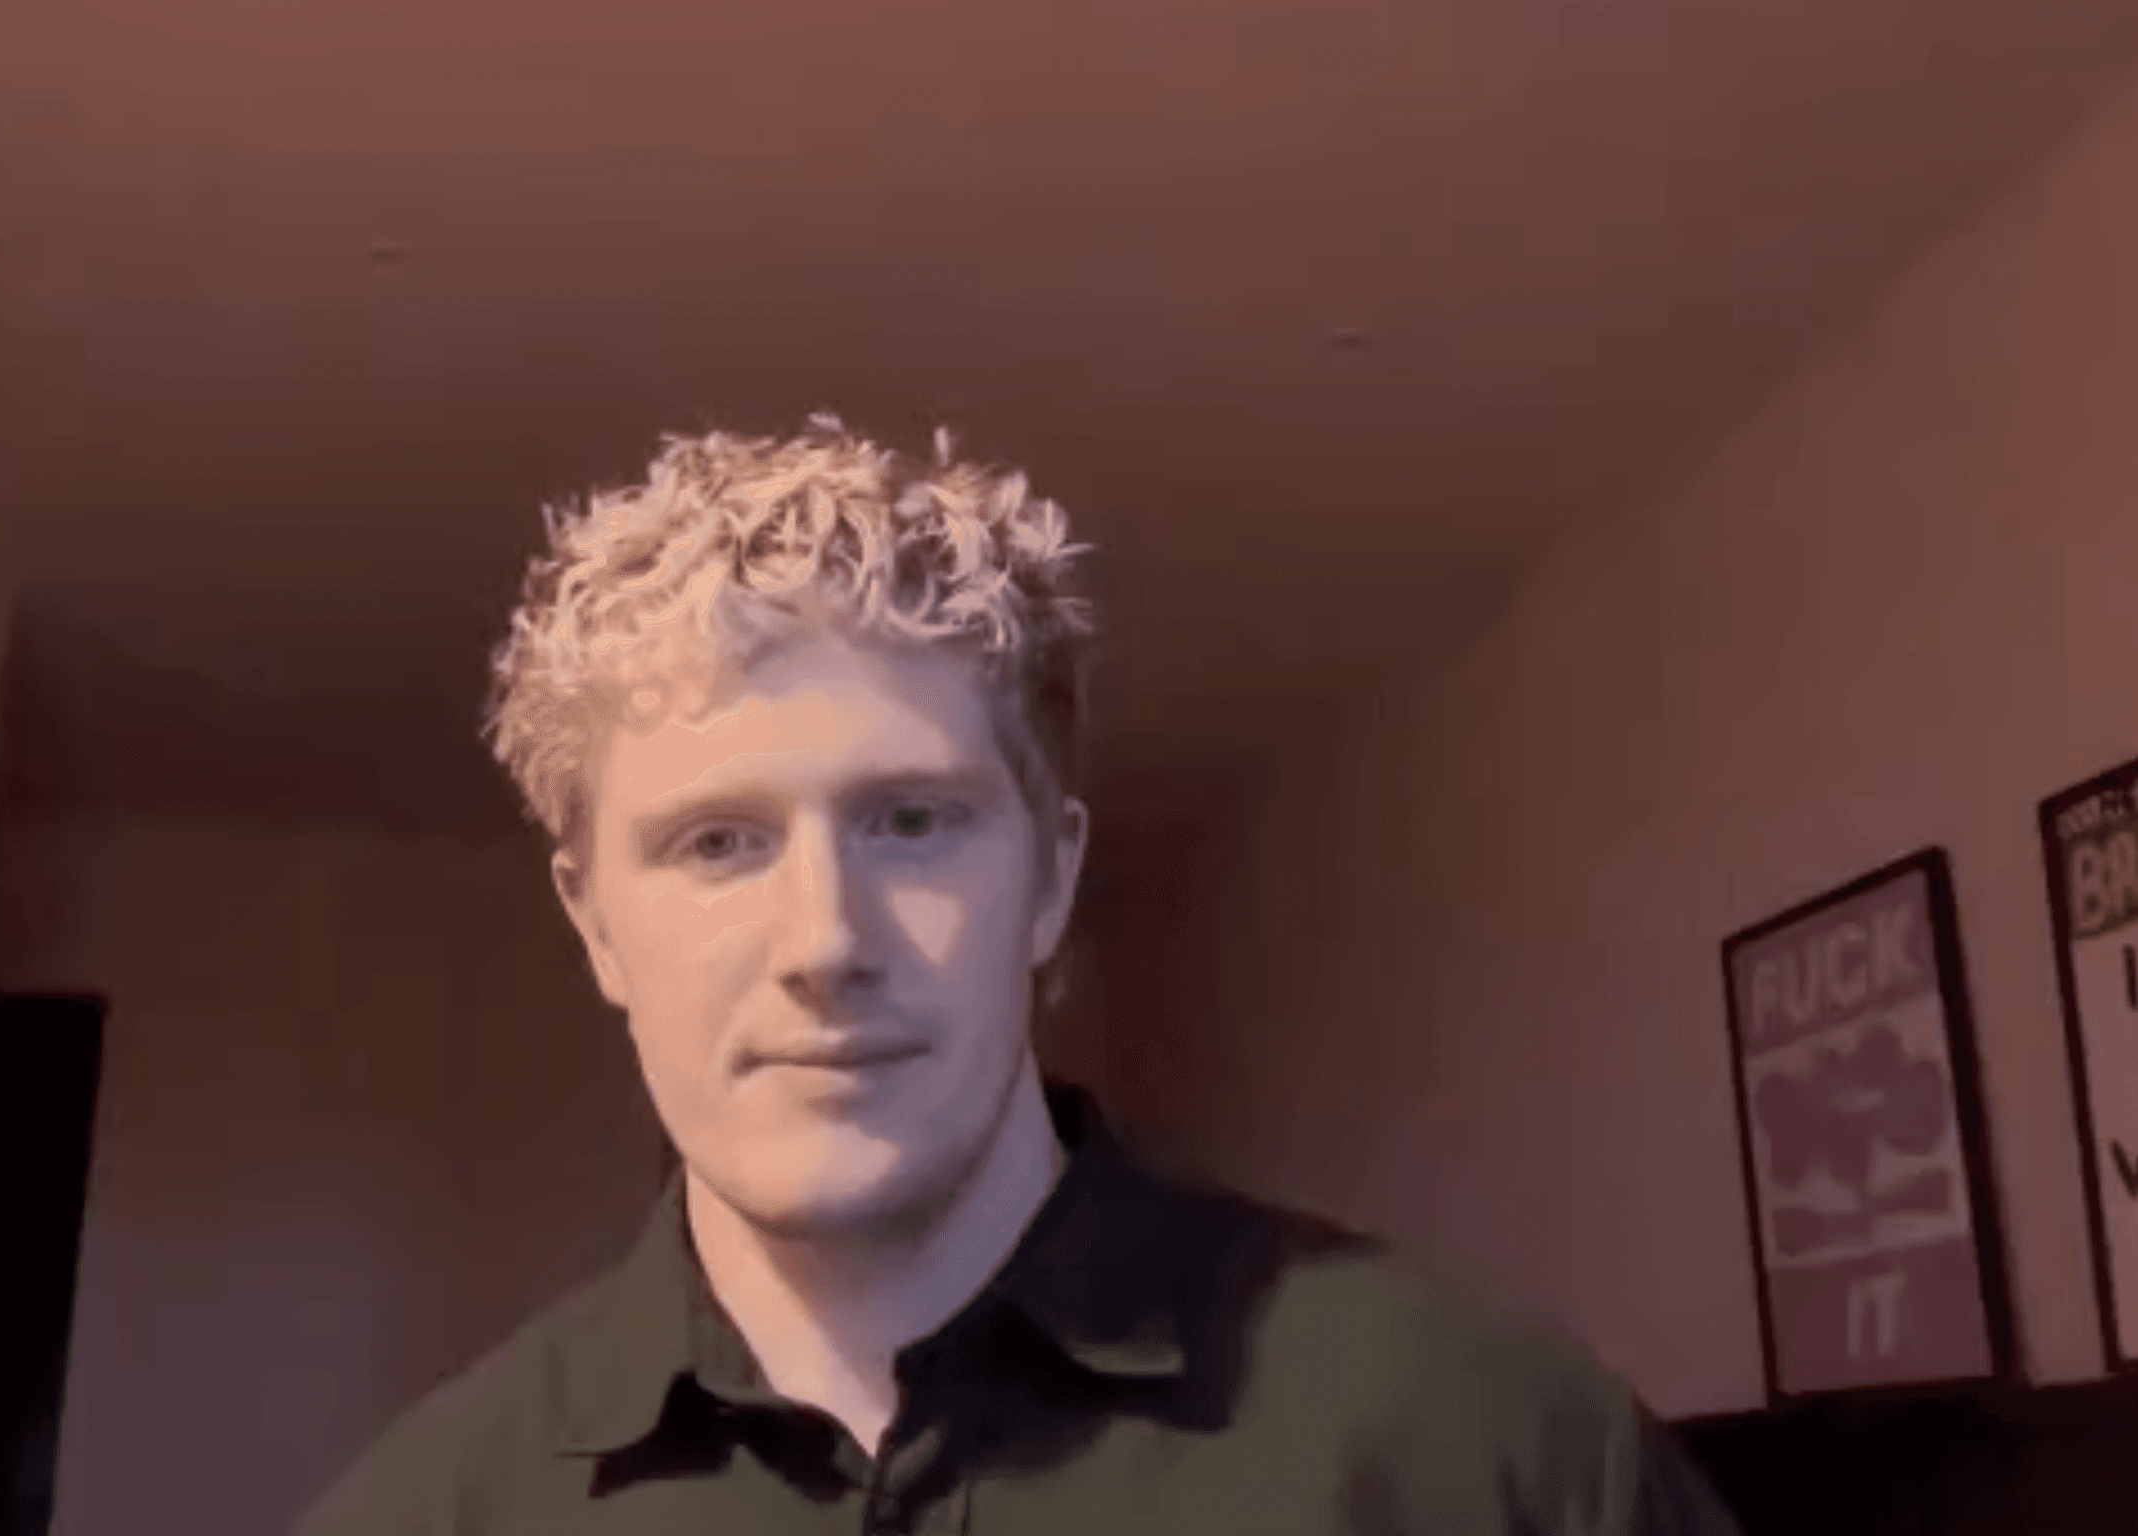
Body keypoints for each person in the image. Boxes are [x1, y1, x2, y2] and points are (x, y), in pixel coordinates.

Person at [297, 413, 1741, 1534]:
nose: (824, 942)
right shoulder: (421, 1513)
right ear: (597, 925)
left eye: (912, 822)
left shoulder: (1492, 1451)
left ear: (1048, 877)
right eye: (718, 842)